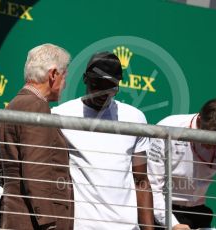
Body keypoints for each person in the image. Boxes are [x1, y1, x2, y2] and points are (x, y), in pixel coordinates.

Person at [52, 51, 154, 230]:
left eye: (111, 87)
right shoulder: (60, 116)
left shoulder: (135, 118)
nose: (103, 93)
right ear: (85, 79)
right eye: (97, 84)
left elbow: (141, 181)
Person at [0, 43, 74, 229]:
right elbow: (36, 169)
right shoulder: (37, 107)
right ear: (53, 74)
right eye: (64, 76)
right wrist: (48, 222)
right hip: (33, 221)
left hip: (15, 214)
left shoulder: (13, 105)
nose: (65, 83)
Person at [147, 98, 216, 230]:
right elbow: (152, 186)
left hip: (198, 212)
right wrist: (173, 224)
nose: (211, 146)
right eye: (208, 139)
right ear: (198, 120)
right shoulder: (169, 127)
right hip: (162, 208)